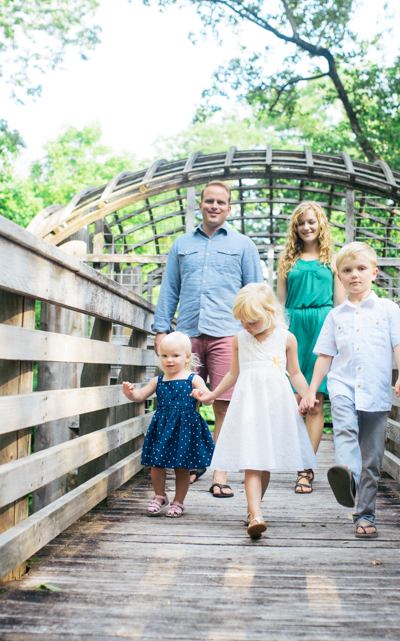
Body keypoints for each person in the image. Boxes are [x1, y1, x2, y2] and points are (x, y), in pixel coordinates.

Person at [152, 181, 263, 499]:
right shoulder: (181, 244)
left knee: (225, 406)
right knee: (183, 405)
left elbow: (255, 291)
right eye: (209, 201)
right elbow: (169, 287)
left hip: (228, 334)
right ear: (200, 205)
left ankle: (220, 474)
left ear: (229, 208)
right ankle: (189, 464)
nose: (215, 206)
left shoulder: (244, 245)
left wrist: (255, 332)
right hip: (186, 337)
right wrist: (162, 329)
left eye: (221, 202)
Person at [299, 242, 400, 539]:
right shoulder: (335, 316)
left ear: (373, 273)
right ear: (339, 277)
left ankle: (364, 514)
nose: (354, 275)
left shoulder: (389, 309)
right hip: (342, 384)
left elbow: (399, 343)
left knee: (373, 460)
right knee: (345, 430)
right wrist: (312, 390)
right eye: (347, 270)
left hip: (375, 390)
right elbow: (324, 356)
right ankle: (346, 472)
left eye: (361, 269)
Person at [192, 283, 318, 539]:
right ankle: (256, 514)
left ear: (270, 311)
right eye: (241, 321)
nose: (246, 327)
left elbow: (294, 373)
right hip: (248, 405)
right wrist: (213, 394)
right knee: (252, 461)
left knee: (265, 464)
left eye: (252, 321)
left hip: (275, 406)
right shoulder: (240, 339)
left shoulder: (286, 338)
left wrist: (308, 396)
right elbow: (233, 373)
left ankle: (253, 510)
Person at [276, 201, 345, 494]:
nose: (306, 227)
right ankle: (292, 457)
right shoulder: (287, 261)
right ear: (296, 227)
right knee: (294, 401)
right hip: (294, 331)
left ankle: (305, 469)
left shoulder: (333, 259)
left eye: (312, 222)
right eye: (301, 222)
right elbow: (280, 303)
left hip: (322, 327)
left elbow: (340, 303)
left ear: (321, 225)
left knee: (315, 401)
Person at [121, 332, 214, 518]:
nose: (169, 360)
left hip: (185, 429)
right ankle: (160, 496)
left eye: (175, 356)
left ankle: (178, 501)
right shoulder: (158, 380)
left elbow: (209, 399)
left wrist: (201, 395)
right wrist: (130, 393)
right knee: (157, 464)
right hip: (162, 429)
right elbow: (140, 396)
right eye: (164, 356)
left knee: (182, 467)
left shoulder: (193, 379)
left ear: (187, 357)